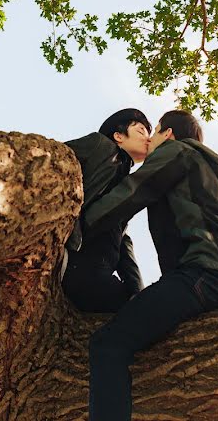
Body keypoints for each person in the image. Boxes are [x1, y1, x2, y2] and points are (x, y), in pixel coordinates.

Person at [82, 110, 218, 420]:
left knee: (106, 345)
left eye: (153, 131)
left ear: (167, 135)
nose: (149, 139)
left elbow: (131, 193)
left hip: (207, 274)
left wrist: (77, 226)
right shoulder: (204, 171)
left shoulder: (175, 152)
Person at [62, 109, 151, 313]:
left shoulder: (125, 181)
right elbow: (53, 158)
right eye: (140, 131)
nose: (147, 138)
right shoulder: (100, 146)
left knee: (142, 309)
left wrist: (136, 290)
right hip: (77, 262)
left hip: (98, 273)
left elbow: (121, 238)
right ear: (118, 136)